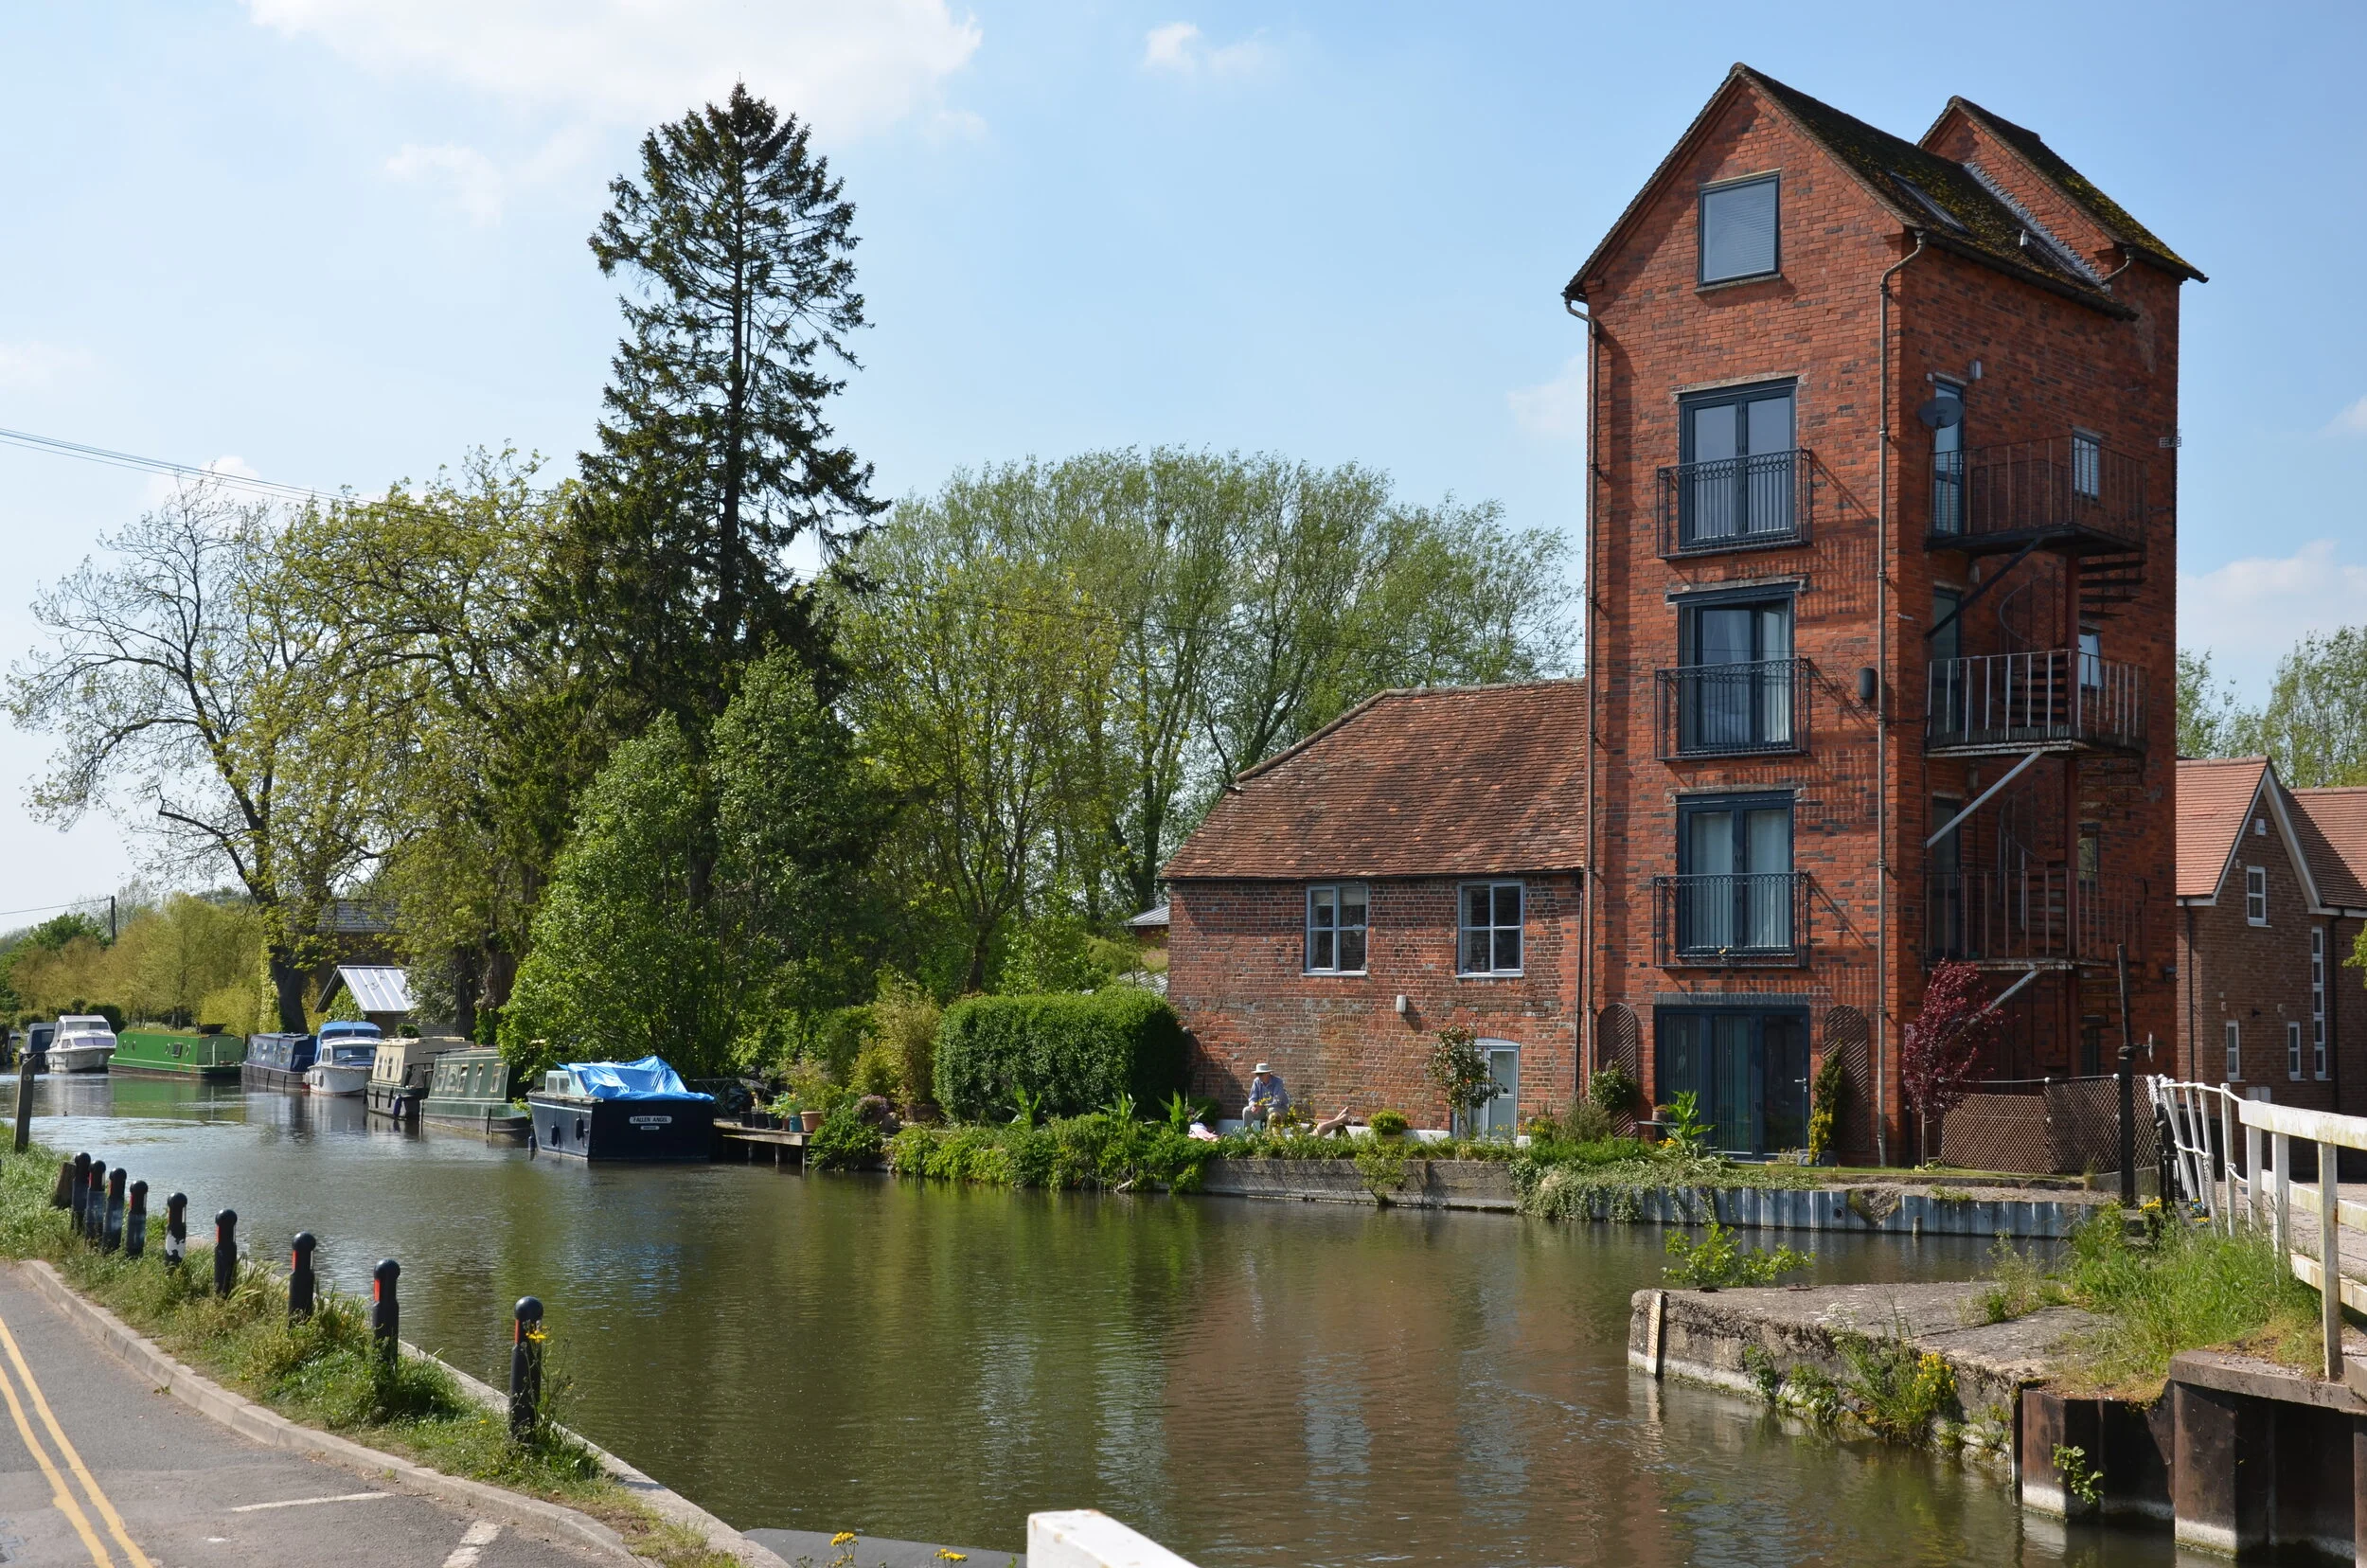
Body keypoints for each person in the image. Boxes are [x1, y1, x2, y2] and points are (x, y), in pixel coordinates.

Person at [1242, 1062, 1290, 1130]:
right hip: (1263, 1109)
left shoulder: (1278, 1082)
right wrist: (1254, 1105)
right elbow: (1252, 1098)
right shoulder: (1256, 1082)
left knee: (1271, 1110)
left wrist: (1262, 1106)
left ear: (1268, 1073)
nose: (1259, 1076)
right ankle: (1248, 1135)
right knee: (1246, 1110)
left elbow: (1277, 1102)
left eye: (1261, 1074)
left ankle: (1268, 1135)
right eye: (1257, 1074)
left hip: (1280, 1109)